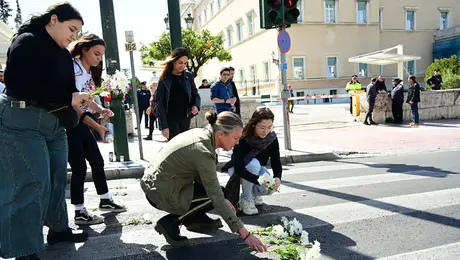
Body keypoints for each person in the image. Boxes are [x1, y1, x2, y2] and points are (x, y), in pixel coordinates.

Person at [0, 3, 92, 260]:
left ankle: (58, 229)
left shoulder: (63, 53)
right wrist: (69, 96)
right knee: (30, 182)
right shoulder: (27, 41)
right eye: (71, 29)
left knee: (55, 179)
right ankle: (23, 249)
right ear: (54, 20)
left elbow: (68, 91)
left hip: (54, 124)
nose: (73, 36)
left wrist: (76, 102)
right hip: (21, 121)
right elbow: (19, 84)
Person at [140, 111, 268, 253]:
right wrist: (245, 234)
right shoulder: (203, 151)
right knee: (217, 196)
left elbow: (204, 180)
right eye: (235, 138)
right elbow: (215, 195)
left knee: (219, 193)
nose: (237, 142)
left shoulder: (202, 134)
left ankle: (195, 219)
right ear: (221, 134)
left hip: (158, 183)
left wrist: (223, 201)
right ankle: (170, 222)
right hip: (160, 192)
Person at [68, 34, 127, 225]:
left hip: (81, 123)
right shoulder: (73, 68)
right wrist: (97, 127)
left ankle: (105, 199)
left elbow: (88, 99)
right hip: (70, 124)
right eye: (96, 53)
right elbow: (75, 106)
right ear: (84, 50)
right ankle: (79, 211)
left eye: (101, 55)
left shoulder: (87, 72)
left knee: (97, 161)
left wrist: (101, 110)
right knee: (79, 167)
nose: (98, 58)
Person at [221, 107, 282, 215]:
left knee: (270, 188)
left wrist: (277, 178)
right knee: (254, 164)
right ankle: (246, 199)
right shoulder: (243, 137)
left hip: (258, 170)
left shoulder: (271, 138)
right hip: (237, 170)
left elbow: (276, 160)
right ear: (254, 124)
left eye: (269, 127)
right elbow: (239, 167)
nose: (266, 131)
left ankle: (254, 195)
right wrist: (258, 180)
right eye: (262, 127)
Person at [156, 47, 200, 141]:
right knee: (175, 148)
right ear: (173, 62)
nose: (183, 66)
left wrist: (196, 105)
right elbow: (160, 104)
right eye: (180, 62)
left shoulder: (189, 77)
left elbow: (195, 94)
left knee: (185, 146)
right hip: (170, 120)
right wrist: (164, 126)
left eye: (185, 63)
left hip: (185, 118)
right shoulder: (164, 79)